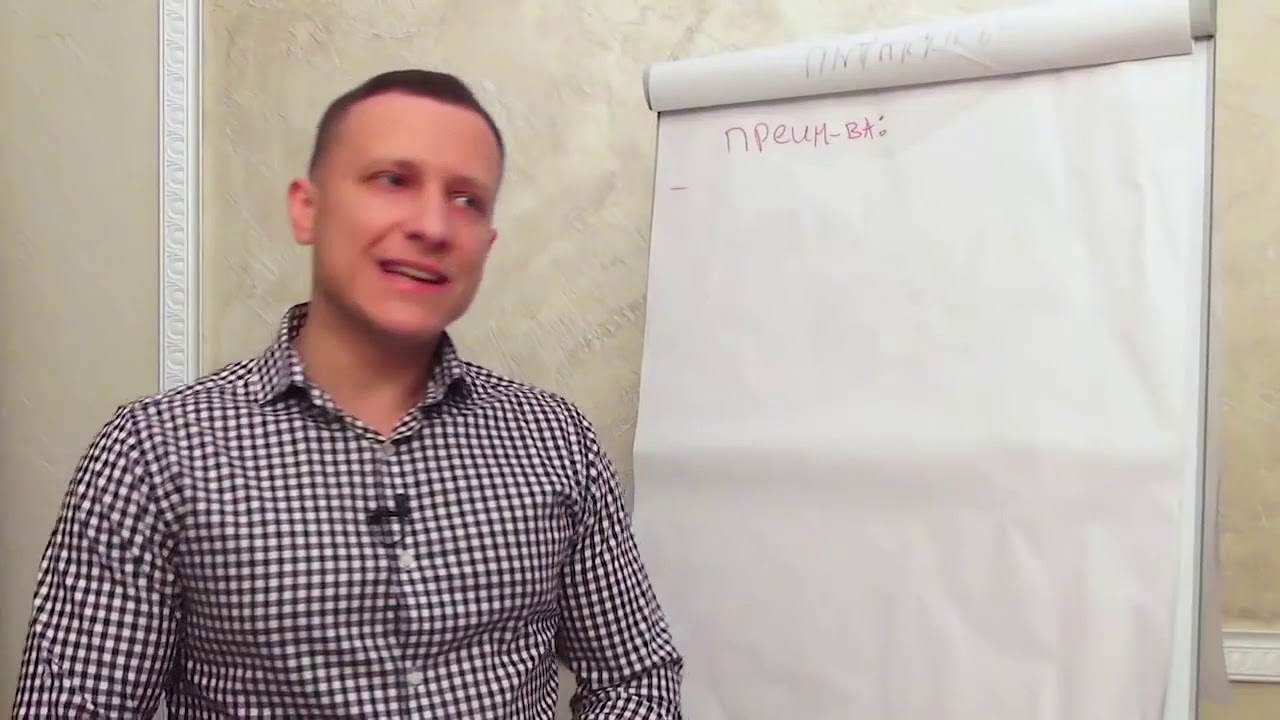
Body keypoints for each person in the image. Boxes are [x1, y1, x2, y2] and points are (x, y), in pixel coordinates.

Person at [11, 69, 684, 718]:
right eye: (393, 180)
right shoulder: (154, 454)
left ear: (486, 244)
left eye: (466, 200)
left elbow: (634, 677)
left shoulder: (554, 440)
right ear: (307, 209)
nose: (432, 226)